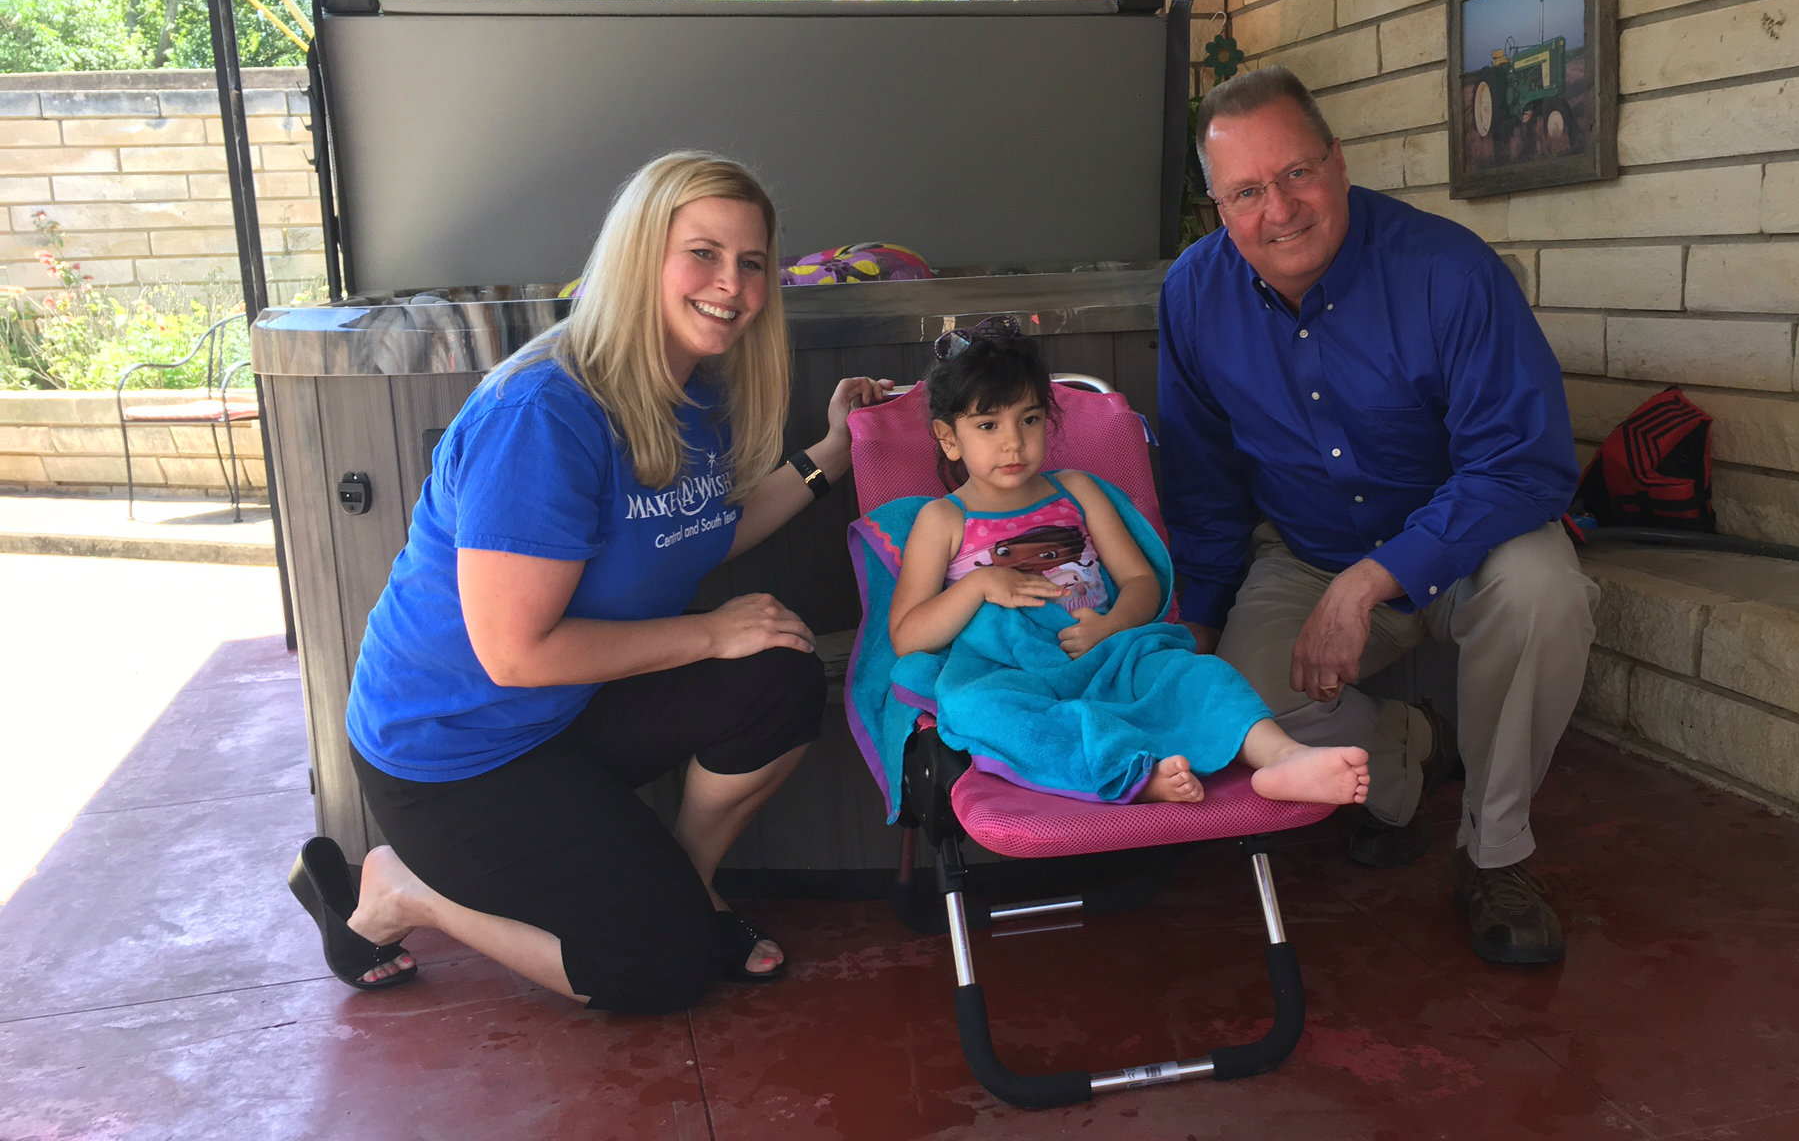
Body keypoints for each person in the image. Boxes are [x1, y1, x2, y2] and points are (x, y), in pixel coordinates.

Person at [287, 150, 891, 1012]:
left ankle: (679, 891)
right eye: (704, 253)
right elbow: (514, 654)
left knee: (779, 675)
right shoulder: (543, 414)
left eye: (752, 261)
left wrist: (831, 453)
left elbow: (695, 529)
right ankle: (402, 890)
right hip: (453, 751)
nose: (732, 283)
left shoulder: (694, 388)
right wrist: (711, 633)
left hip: (569, 707)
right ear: (640, 255)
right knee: (660, 971)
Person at [1159, 66, 1599, 965]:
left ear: (1340, 163)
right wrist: (1192, 643)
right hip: (1304, 549)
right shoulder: (1192, 295)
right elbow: (1203, 485)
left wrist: (1373, 579)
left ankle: (1495, 854)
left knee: (1548, 590)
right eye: (1246, 191)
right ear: (1217, 209)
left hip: (1464, 543)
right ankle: (1414, 749)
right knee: (1235, 712)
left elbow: (1526, 462)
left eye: (1296, 173)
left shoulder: (1450, 270)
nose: (1278, 208)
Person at [886, 322, 1370, 808]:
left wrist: (1113, 625)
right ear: (949, 439)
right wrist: (978, 586)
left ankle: (1282, 756)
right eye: (988, 425)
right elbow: (907, 636)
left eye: (1029, 420)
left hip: (1112, 656)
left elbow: (1141, 582)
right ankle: (1133, 774)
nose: (1013, 443)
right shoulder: (945, 519)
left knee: (1197, 675)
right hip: (1010, 674)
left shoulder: (1075, 490)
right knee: (977, 708)